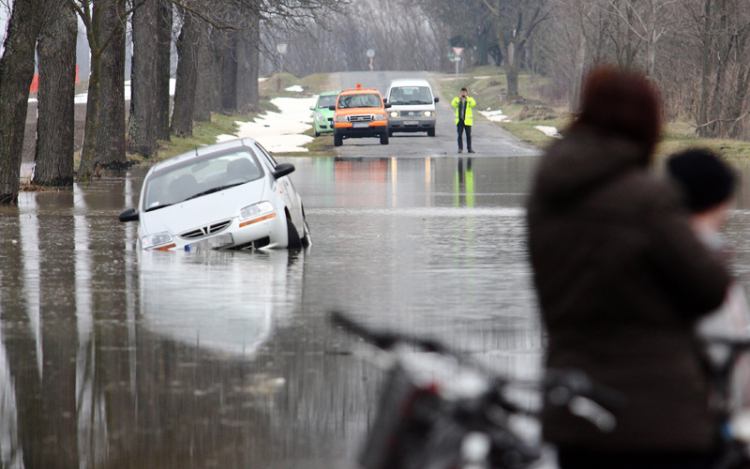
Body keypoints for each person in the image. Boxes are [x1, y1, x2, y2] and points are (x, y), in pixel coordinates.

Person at [526, 66, 731, 469]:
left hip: (575, 408)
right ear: (646, 123)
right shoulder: (646, 199)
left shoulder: (546, 196)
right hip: (656, 416)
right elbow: (707, 288)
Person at [667, 149, 750, 411]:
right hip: (701, 421)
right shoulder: (705, 264)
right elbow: (726, 349)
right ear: (723, 201)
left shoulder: (643, 251)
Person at [451, 87, 475, 154]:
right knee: (459, 135)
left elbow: (473, 104)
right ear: (460, 93)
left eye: (464, 92)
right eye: (462, 92)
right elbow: (453, 104)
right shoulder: (457, 99)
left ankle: (469, 148)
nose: (463, 94)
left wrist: (467, 98)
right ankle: (460, 148)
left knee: (468, 135)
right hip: (460, 120)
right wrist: (459, 98)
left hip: (467, 121)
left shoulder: (470, 99)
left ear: (466, 93)